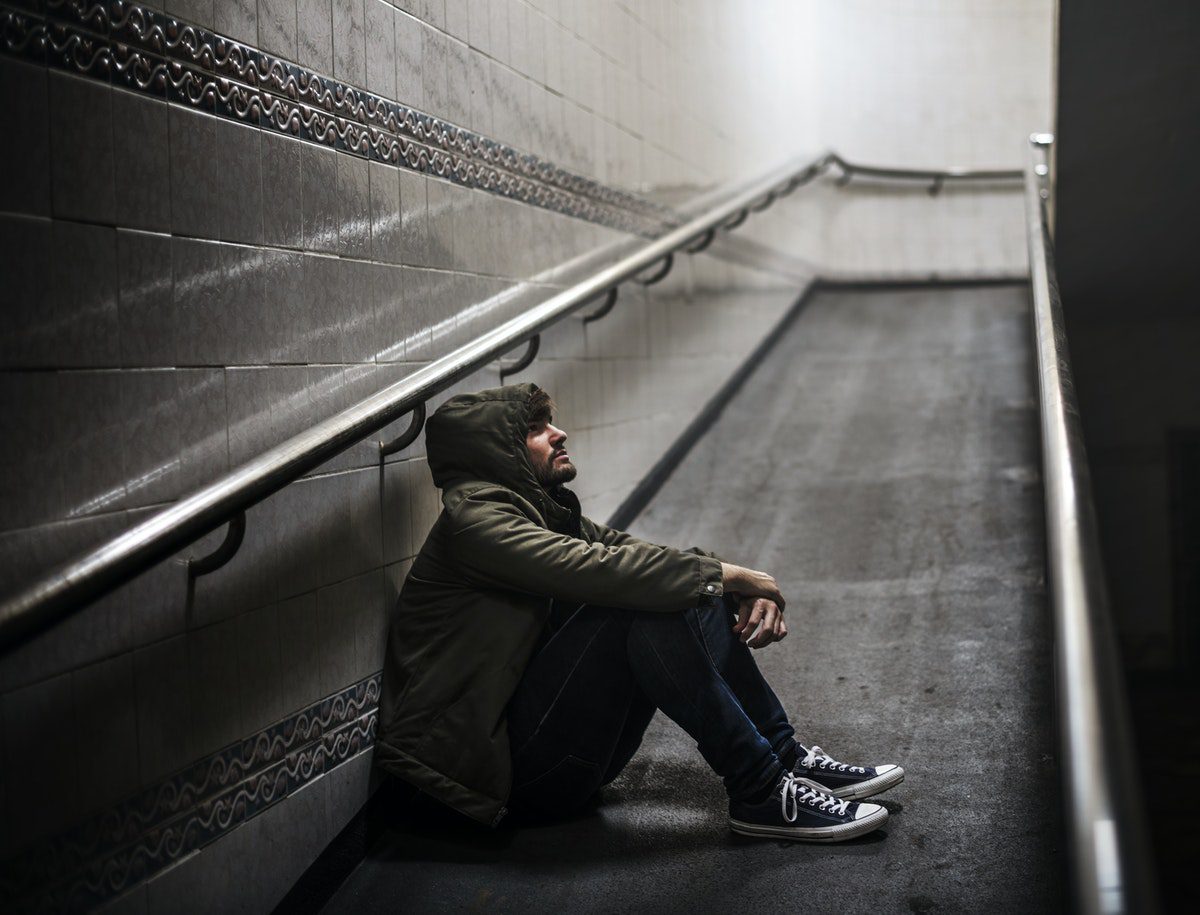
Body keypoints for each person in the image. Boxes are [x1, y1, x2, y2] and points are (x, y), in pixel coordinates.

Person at [376, 382, 904, 842]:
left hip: (551, 755)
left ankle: (783, 759)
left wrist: (728, 578)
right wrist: (735, 578)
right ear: (497, 453)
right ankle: (762, 791)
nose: (559, 433)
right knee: (642, 601)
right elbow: (612, 574)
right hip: (487, 783)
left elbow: (643, 556)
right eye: (537, 429)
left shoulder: (536, 511)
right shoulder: (476, 524)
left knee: (684, 589)